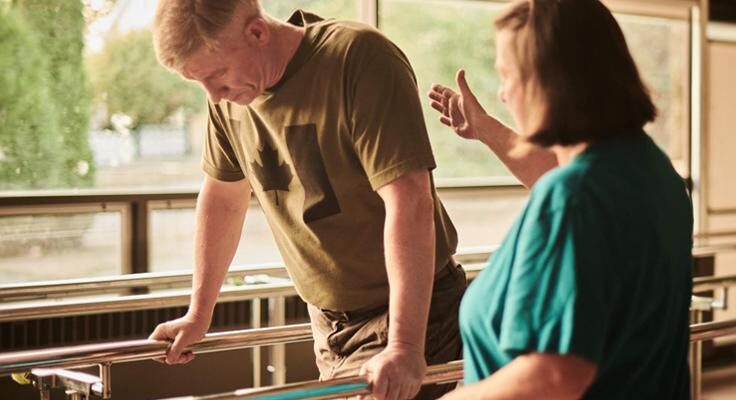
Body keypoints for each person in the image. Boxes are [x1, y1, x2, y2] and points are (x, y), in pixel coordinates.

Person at [147, 2, 465, 399]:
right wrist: (199, 314)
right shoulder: (228, 100)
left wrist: (404, 345)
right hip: (327, 323)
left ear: (258, 33)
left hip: (407, 314)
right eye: (199, 83)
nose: (213, 95)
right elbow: (223, 200)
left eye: (216, 75)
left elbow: (410, 201)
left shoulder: (358, 58)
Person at [428, 0, 693, 398]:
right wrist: (485, 129)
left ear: (551, 80)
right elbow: (563, 173)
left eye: (506, 75)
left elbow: (553, 377)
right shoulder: (654, 174)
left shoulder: (574, 197)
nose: (503, 93)